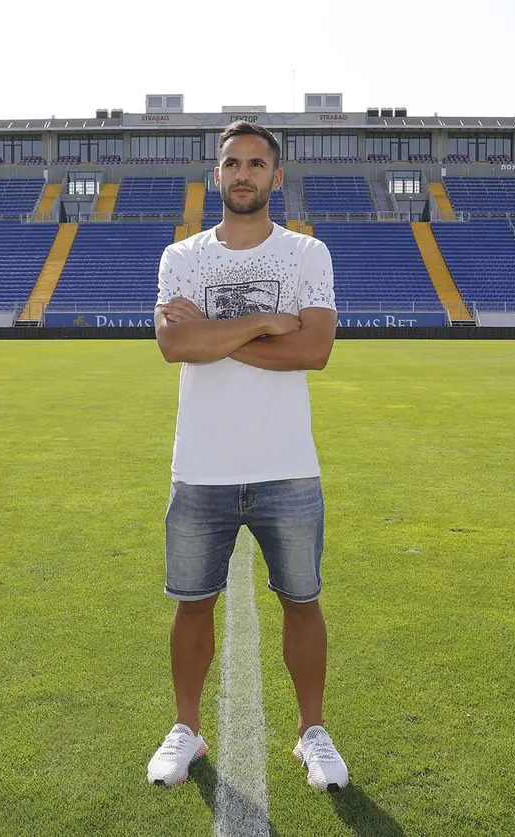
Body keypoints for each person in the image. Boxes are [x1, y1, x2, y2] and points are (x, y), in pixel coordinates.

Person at [145, 121, 348, 793]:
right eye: (233, 162)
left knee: (302, 602)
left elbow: (313, 350)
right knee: (191, 605)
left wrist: (214, 335)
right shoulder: (182, 256)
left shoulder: (306, 254)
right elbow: (175, 347)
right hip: (201, 466)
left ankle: (312, 731)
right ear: (217, 174)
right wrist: (263, 322)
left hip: (287, 465)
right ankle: (186, 728)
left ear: (275, 177)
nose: (244, 173)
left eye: (257, 163)